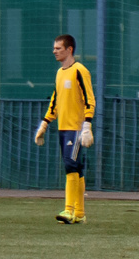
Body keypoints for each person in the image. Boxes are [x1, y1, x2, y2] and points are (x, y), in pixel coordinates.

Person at [32, 33, 96, 226]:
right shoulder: (60, 73)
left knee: (70, 165)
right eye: (54, 48)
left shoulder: (80, 70)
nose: (54, 51)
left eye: (58, 48)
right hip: (63, 128)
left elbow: (89, 99)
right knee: (76, 168)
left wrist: (87, 126)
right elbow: (55, 100)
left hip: (76, 129)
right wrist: (44, 124)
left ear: (69, 50)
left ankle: (69, 210)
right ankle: (80, 213)